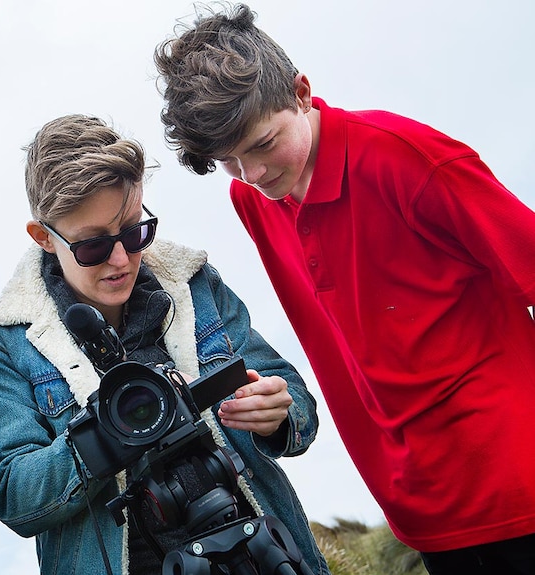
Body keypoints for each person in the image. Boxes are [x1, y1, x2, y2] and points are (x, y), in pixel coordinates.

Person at [153, 4, 535, 574]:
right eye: (228, 160)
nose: (251, 174)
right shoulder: (253, 198)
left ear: (301, 92)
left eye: (261, 144)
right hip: (420, 504)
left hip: (518, 477)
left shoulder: (409, 159)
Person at [0, 114, 328, 575]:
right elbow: (14, 497)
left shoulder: (193, 283)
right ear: (44, 238)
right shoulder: (2, 339)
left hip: (261, 556)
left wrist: (278, 412)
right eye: (93, 246)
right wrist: (105, 437)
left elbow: (298, 406)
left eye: (135, 232)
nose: (120, 260)